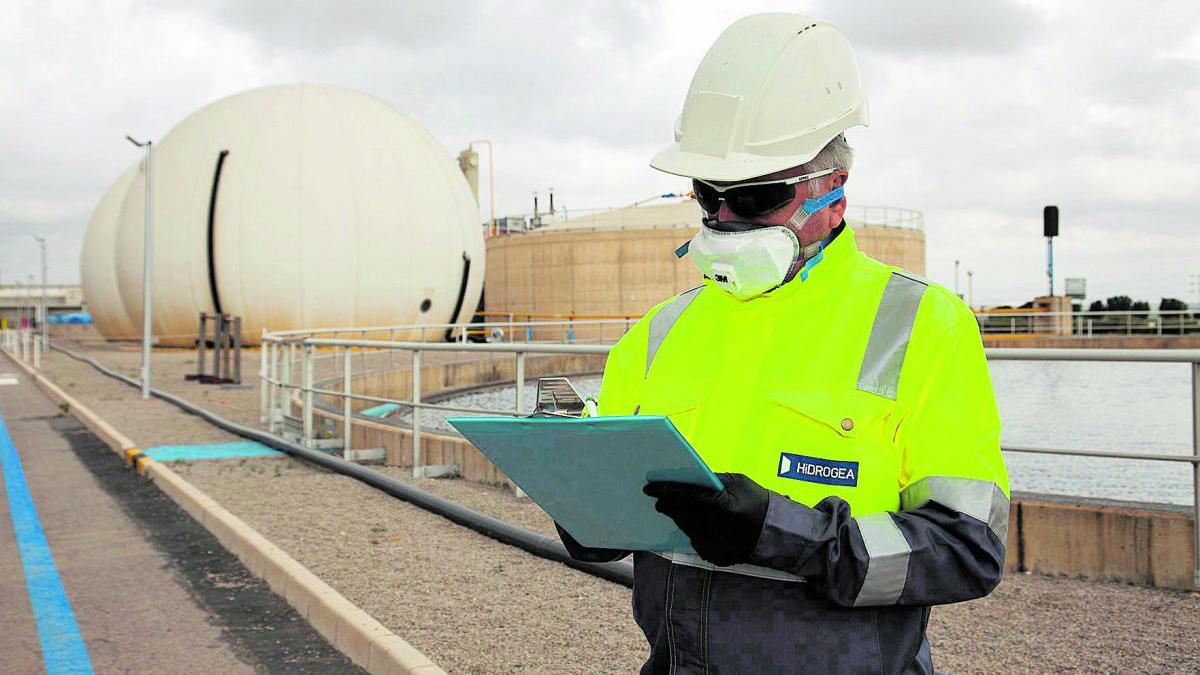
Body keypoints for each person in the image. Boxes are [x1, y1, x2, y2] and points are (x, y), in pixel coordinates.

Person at [555, 13, 1009, 674]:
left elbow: (969, 545)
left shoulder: (921, 326)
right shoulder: (658, 334)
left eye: (757, 196)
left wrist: (781, 532)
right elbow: (609, 520)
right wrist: (584, 511)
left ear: (834, 194)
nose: (724, 218)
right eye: (710, 194)